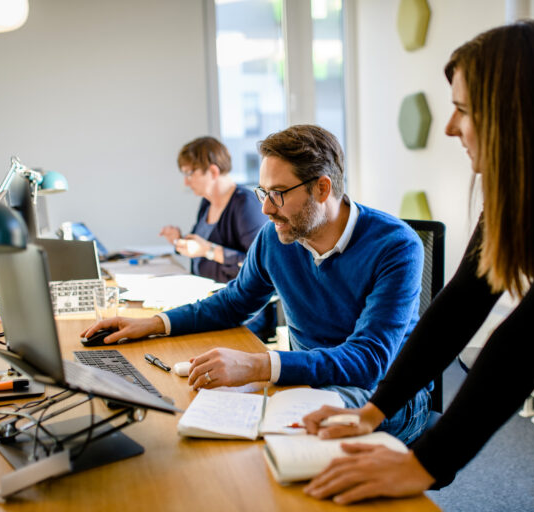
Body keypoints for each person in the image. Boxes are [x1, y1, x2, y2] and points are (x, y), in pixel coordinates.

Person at [300, 20, 534, 505]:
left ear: (514, 113)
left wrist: (423, 463)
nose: (450, 127)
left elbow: (532, 333)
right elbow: (460, 304)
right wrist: (373, 410)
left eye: (463, 110)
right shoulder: (531, 179)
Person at [83, 124, 432, 444]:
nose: (265, 209)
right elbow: (232, 303)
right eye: (262, 192)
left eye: (278, 193)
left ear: (322, 188)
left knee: (288, 435)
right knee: (212, 418)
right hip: (311, 383)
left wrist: (257, 365)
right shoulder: (275, 238)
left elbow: (368, 361)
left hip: (385, 395)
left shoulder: (396, 245)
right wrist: (153, 324)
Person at [159, 136, 274, 339]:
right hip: (208, 302)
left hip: (240, 312)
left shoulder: (245, 204)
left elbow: (260, 266)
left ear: (213, 171)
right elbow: (202, 246)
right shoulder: (207, 202)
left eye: (189, 173)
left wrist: (208, 251)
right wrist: (180, 241)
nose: (186, 181)